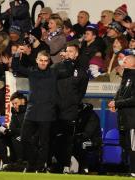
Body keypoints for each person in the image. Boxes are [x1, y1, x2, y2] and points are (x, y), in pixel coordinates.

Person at [52, 43, 89, 173]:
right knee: (52, 137)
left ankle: (66, 166)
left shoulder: (82, 71)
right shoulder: (57, 67)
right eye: (66, 51)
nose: (68, 53)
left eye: (71, 51)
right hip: (55, 109)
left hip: (70, 110)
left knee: (68, 139)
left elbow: (81, 92)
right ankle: (50, 164)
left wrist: (73, 103)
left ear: (76, 54)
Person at [108, 51, 135, 177]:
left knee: (132, 146)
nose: (122, 63)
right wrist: (115, 102)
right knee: (125, 144)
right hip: (123, 118)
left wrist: (117, 103)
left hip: (132, 119)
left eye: (125, 61)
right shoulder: (126, 77)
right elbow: (121, 93)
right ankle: (128, 169)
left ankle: (133, 171)